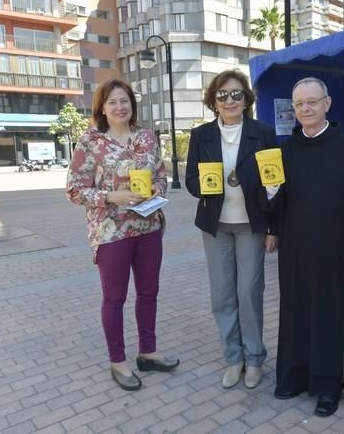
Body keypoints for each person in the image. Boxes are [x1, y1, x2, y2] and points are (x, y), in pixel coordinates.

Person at [67, 79, 179, 391]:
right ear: (102, 107)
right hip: (110, 231)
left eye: (125, 101)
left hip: (149, 227)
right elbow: (74, 189)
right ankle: (118, 360)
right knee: (115, 298)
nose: (120, 107)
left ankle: (148, 352)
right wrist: (111, 197)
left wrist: (157, 188)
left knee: (148, 293)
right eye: (113, 102)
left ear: (133, 105)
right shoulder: (90, 142)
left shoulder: (146, 137)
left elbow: (160, 175)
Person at [268, 77, 344, 417]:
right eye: (299, 104)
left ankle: (328, 386)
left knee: (329, 317)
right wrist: (269, 192)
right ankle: (295, 376)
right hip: (295, 249)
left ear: (328, 103)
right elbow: (276, 204)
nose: (306, 109)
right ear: (293, 109)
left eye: (312, 102)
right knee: (295, 313)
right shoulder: (283, 152)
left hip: (334, 250)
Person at [185, 69, 278, 390]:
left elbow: (276, 183)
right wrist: (206, 186)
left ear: (246, 98)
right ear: (214, 100)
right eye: (222, 95)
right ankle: (233, 357)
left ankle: (254, 358)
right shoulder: (201, 136)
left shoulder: (262, 132)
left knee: (249, 292)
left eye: (236, 94)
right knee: (222, 294)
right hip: (216, 225)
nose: (229, 100)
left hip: (251, 224)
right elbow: (191, 182)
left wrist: (273, 228)